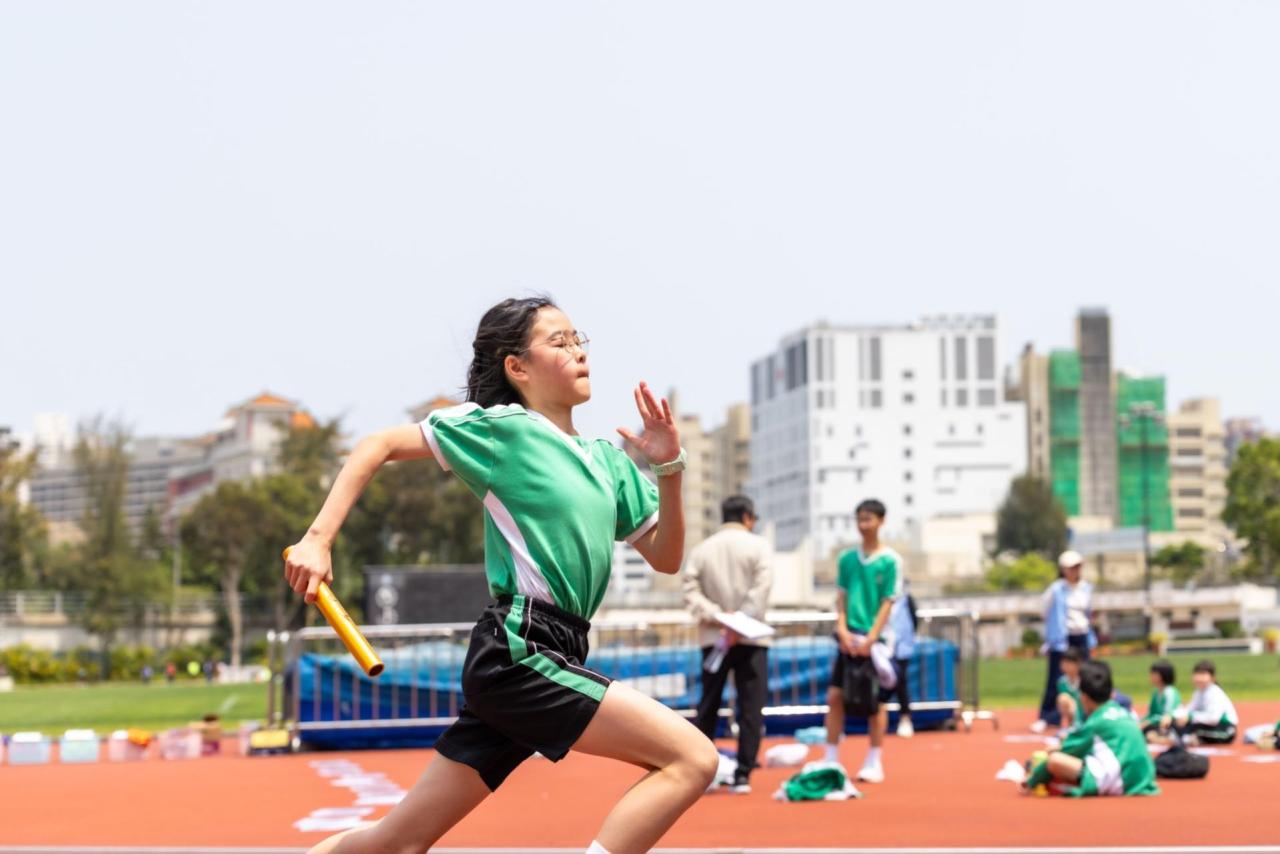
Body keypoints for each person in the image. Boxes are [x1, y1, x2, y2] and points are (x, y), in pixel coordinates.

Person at [284, 297, 716, 854]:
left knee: (397, 841)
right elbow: (378, 444)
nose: (578, 351)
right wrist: (317, 540)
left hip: (558, 647)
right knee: (692, 757)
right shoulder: (502, 430)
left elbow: (666, 555)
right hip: (520, 648)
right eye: (558, 342)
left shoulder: (608, 461)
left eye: (578, 338)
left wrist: (669, 469)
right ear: (517, 367)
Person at [683, 493, 773, 794]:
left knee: (708, 703)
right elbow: (762, 588)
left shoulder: (702, 549)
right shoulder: (759, 546)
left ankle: (699, 771)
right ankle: (743, 774)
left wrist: (719, 617)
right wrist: (740, 620)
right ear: (748, 516)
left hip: (714, 636)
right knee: (751, 705)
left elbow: (690, 590)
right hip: (751, 636)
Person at [824, 499, 900, 784]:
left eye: (868, 519)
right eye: (859, 519)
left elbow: (887, 602)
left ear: (881, 521)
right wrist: (841, 629)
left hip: (876, 642)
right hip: (848, 637)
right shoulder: (846, 559)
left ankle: (874, 759)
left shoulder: (890, 561)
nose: (862, 524)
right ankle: (830, 757)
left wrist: (871, 637)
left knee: (875, 703)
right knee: (835, 696)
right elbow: (841, 597)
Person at [1023, 660, 1159, 798]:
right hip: (1144, 780)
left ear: (1084, 698)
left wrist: (1032, 780)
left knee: (1054, 760)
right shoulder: (1123, 713)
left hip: (1120, 782)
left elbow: (1067, 751)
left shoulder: (1095, 722)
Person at [1032, 550, 1095, 734]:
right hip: (1061, 638)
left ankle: (1086, 713)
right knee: (1056, 678)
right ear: (1063, 569)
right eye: (1070, 568)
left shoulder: (1086, 588)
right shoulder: (1056, 589)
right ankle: (1048, 716)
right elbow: (1043, 610)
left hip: (1081, 634)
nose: (1074, 571)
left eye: (1077, 567)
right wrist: (1055, 629)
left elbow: (1089, 612)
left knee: (1085, 676)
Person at [1173, 659, 1239, 745]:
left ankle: (1188, 739)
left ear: (1212, 678)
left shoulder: (1215, 693)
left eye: (1203, 674)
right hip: (1208, 727)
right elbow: (1189, 709)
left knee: (1193, 731)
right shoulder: (1198, 692)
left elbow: (1213, 718)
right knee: (1177, 725)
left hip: (1224, 730)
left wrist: (1190, 717)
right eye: (1197, 674)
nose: (1199, 678)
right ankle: (1186, 738)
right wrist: (1173, 715)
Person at [884, 581, 917, 738]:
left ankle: (905, 719)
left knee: (901, 683)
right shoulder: (878, 597)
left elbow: (913, 621)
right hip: (881, 647)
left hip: (901, 649)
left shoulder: (906, 600)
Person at [1141, 659, 1181, 743]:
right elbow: (1151, 713)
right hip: (1157, 723)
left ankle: (1167, 738)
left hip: (1168, 724)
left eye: (1154, 674)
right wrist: (1141, 721)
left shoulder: (1170, 692)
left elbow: (1168, 714)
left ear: (1163, 675)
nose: (1151, 676)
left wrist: (1148, 722)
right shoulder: (1156, 692)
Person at [1055, 647, 1087, 732]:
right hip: (1075, 716)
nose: (1065, 665)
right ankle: (1073, 725)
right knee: (1063, 698)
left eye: (1068, 662)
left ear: (1078, 663)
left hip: (1088, 715)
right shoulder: (1062, 682)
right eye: (1063, 662)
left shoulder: (1086, 680)